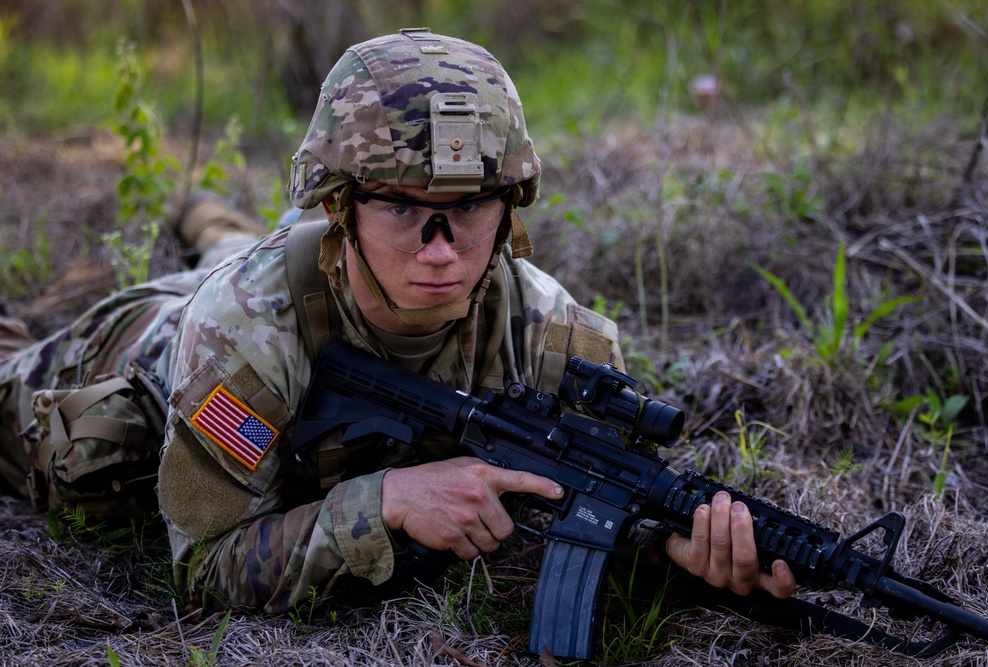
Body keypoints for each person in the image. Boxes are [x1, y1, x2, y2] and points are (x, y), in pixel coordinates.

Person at [0, 29, 794, 623]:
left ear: (510, 208)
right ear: (342, 207)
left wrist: (671, 550)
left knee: (242, 246)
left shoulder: (553, 333)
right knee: (81, 435)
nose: (441, 251)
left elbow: (593, 507)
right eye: (403, 207)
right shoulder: (244, 331)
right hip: (149, 345)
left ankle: (209, 219)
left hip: (287, 274)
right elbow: (206, 563)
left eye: (469, 208)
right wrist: (380, 504)